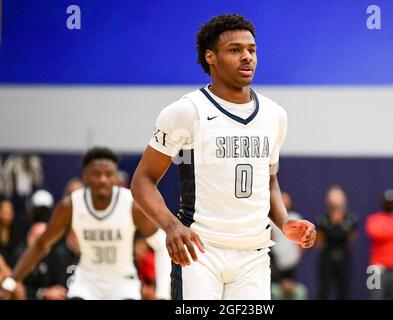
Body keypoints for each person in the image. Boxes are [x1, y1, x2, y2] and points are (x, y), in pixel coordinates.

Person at [131, 14, 316, 300]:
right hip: (200, 251)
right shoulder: (186, 111)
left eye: (251, 50)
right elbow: (143, 180)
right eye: (235, 50)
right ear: (211, 57)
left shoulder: (275, 115)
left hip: (254, 254)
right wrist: (171, 226)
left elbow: (268, 181)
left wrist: (284, 222)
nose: (247, 57)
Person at [0, 147, 171, 300]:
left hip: (123, 282)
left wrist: (163, 294)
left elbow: (162, 245)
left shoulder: (130, 204)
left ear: (115, 177)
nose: (103, 179)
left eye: (108, 174)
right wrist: (11, 281)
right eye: (96, 174)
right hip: (87, 282)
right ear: (85, 177)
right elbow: (41, 244)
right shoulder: (71, 205)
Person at [316, 185, 357, 300]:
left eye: (339, 200)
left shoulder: (351, 219)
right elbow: (319, 242)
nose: (336, 204)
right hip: (327, 257)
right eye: (333, 200)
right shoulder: (322, 220)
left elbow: (351, 239)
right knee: (324, 288)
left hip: (344, 256)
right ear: (328, 201)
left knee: (344, 288)